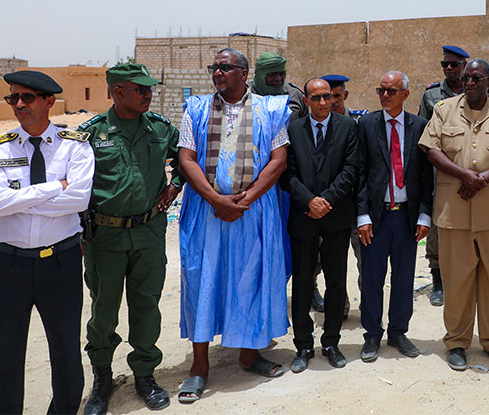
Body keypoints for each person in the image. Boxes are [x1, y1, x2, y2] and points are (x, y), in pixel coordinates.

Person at [175, 48, 292, 403]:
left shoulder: (272, 109)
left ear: (244, 72)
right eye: (214, 67)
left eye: (224, 67)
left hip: (252, 212)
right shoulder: (195, 109)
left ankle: (249, 353)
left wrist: (245, 199)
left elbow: (278, 159)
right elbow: (186, 158)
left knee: (248, 277)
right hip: (206, 212)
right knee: (202, 279)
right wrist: (216, 199)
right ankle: (199, 366)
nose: (217, 72)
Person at [0, 70, 95, 415]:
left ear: (49, 102)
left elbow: (79, 200)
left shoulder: (75, 145)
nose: (19, 104)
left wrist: (18, 200)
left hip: (60, 262)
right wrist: (55, 187)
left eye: (27, 97)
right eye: (13, 97)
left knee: (65, 352)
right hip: (9, 264)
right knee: (0, 354)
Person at [77, 63, 182, 414]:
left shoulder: (160, 129)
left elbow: (187, 156)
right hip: (105, 237)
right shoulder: (91, 134)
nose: (148, 94)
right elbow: (73, 182)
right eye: (140, 89)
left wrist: (175, 184)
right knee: (103, 311)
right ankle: (102, 378)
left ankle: (145, 375)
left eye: (150, 89)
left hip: (148, 233)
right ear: (117, 92)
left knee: (146, 307)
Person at [417, 58, 489, 373]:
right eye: (466, 78)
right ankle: (456, 342)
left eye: (476, 79)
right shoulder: (444, 110)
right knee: (456, 281)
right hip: (454, 210)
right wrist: (463, 175)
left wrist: (481, 179)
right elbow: (431, 150)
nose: (469, 83)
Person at [283, 78, 363, 372]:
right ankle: (303, 345)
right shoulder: (293, 130)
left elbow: (351, 169)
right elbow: (287, 174)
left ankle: (331, 342)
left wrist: (326, 200)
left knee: (336, 282)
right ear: (305, 100)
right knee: (303, 283)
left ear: (333, 98)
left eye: (326, 97)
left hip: (336, 216)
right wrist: (309, 201)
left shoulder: (348, 127)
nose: (322, 103)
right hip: (303, 217)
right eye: (315, 97)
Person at [354, 71, 434, 362]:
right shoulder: (366, 125)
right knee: (372, 277)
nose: (385, 95)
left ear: (406, 94)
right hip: (376, 218)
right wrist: (362, 215)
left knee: (403, 277)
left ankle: (398, 332)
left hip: (406, 218)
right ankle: (372, 334)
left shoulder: (419, 126)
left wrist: (424, 214)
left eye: (391, 91)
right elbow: (359, 173)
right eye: (381, 90)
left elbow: (426, 176)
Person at [417, 45, 469, 306]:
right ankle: (437, 278)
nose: (449, 68)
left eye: (454, 64)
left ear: (464, 66)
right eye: (445, 64)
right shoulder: (431, 95)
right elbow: (422, 134)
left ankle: (464, 277)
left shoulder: (474, 90)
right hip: (439, 171)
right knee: (438, 223)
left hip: (470, 168)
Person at [250, 51, 306, 121]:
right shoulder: (246, 94)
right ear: (260, 75)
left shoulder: (295, 95)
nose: (278, 79)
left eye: (282, 74)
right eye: (272, 75)